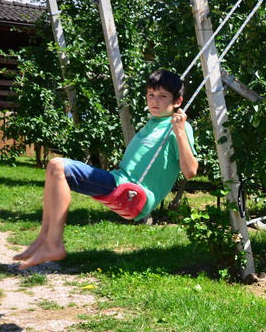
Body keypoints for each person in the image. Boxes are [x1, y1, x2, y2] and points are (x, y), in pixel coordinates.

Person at [14, 70, 199, 269]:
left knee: (58, 166)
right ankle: (43, 240)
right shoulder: (153, 122)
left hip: (131, 192)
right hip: (118, 180)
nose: (155, 101)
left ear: (177, 101)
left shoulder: (177, 127)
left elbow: (190, 171)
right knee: (53, 168)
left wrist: (180, 132)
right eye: (151, 95)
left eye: (163, 97)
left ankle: (54, 244)